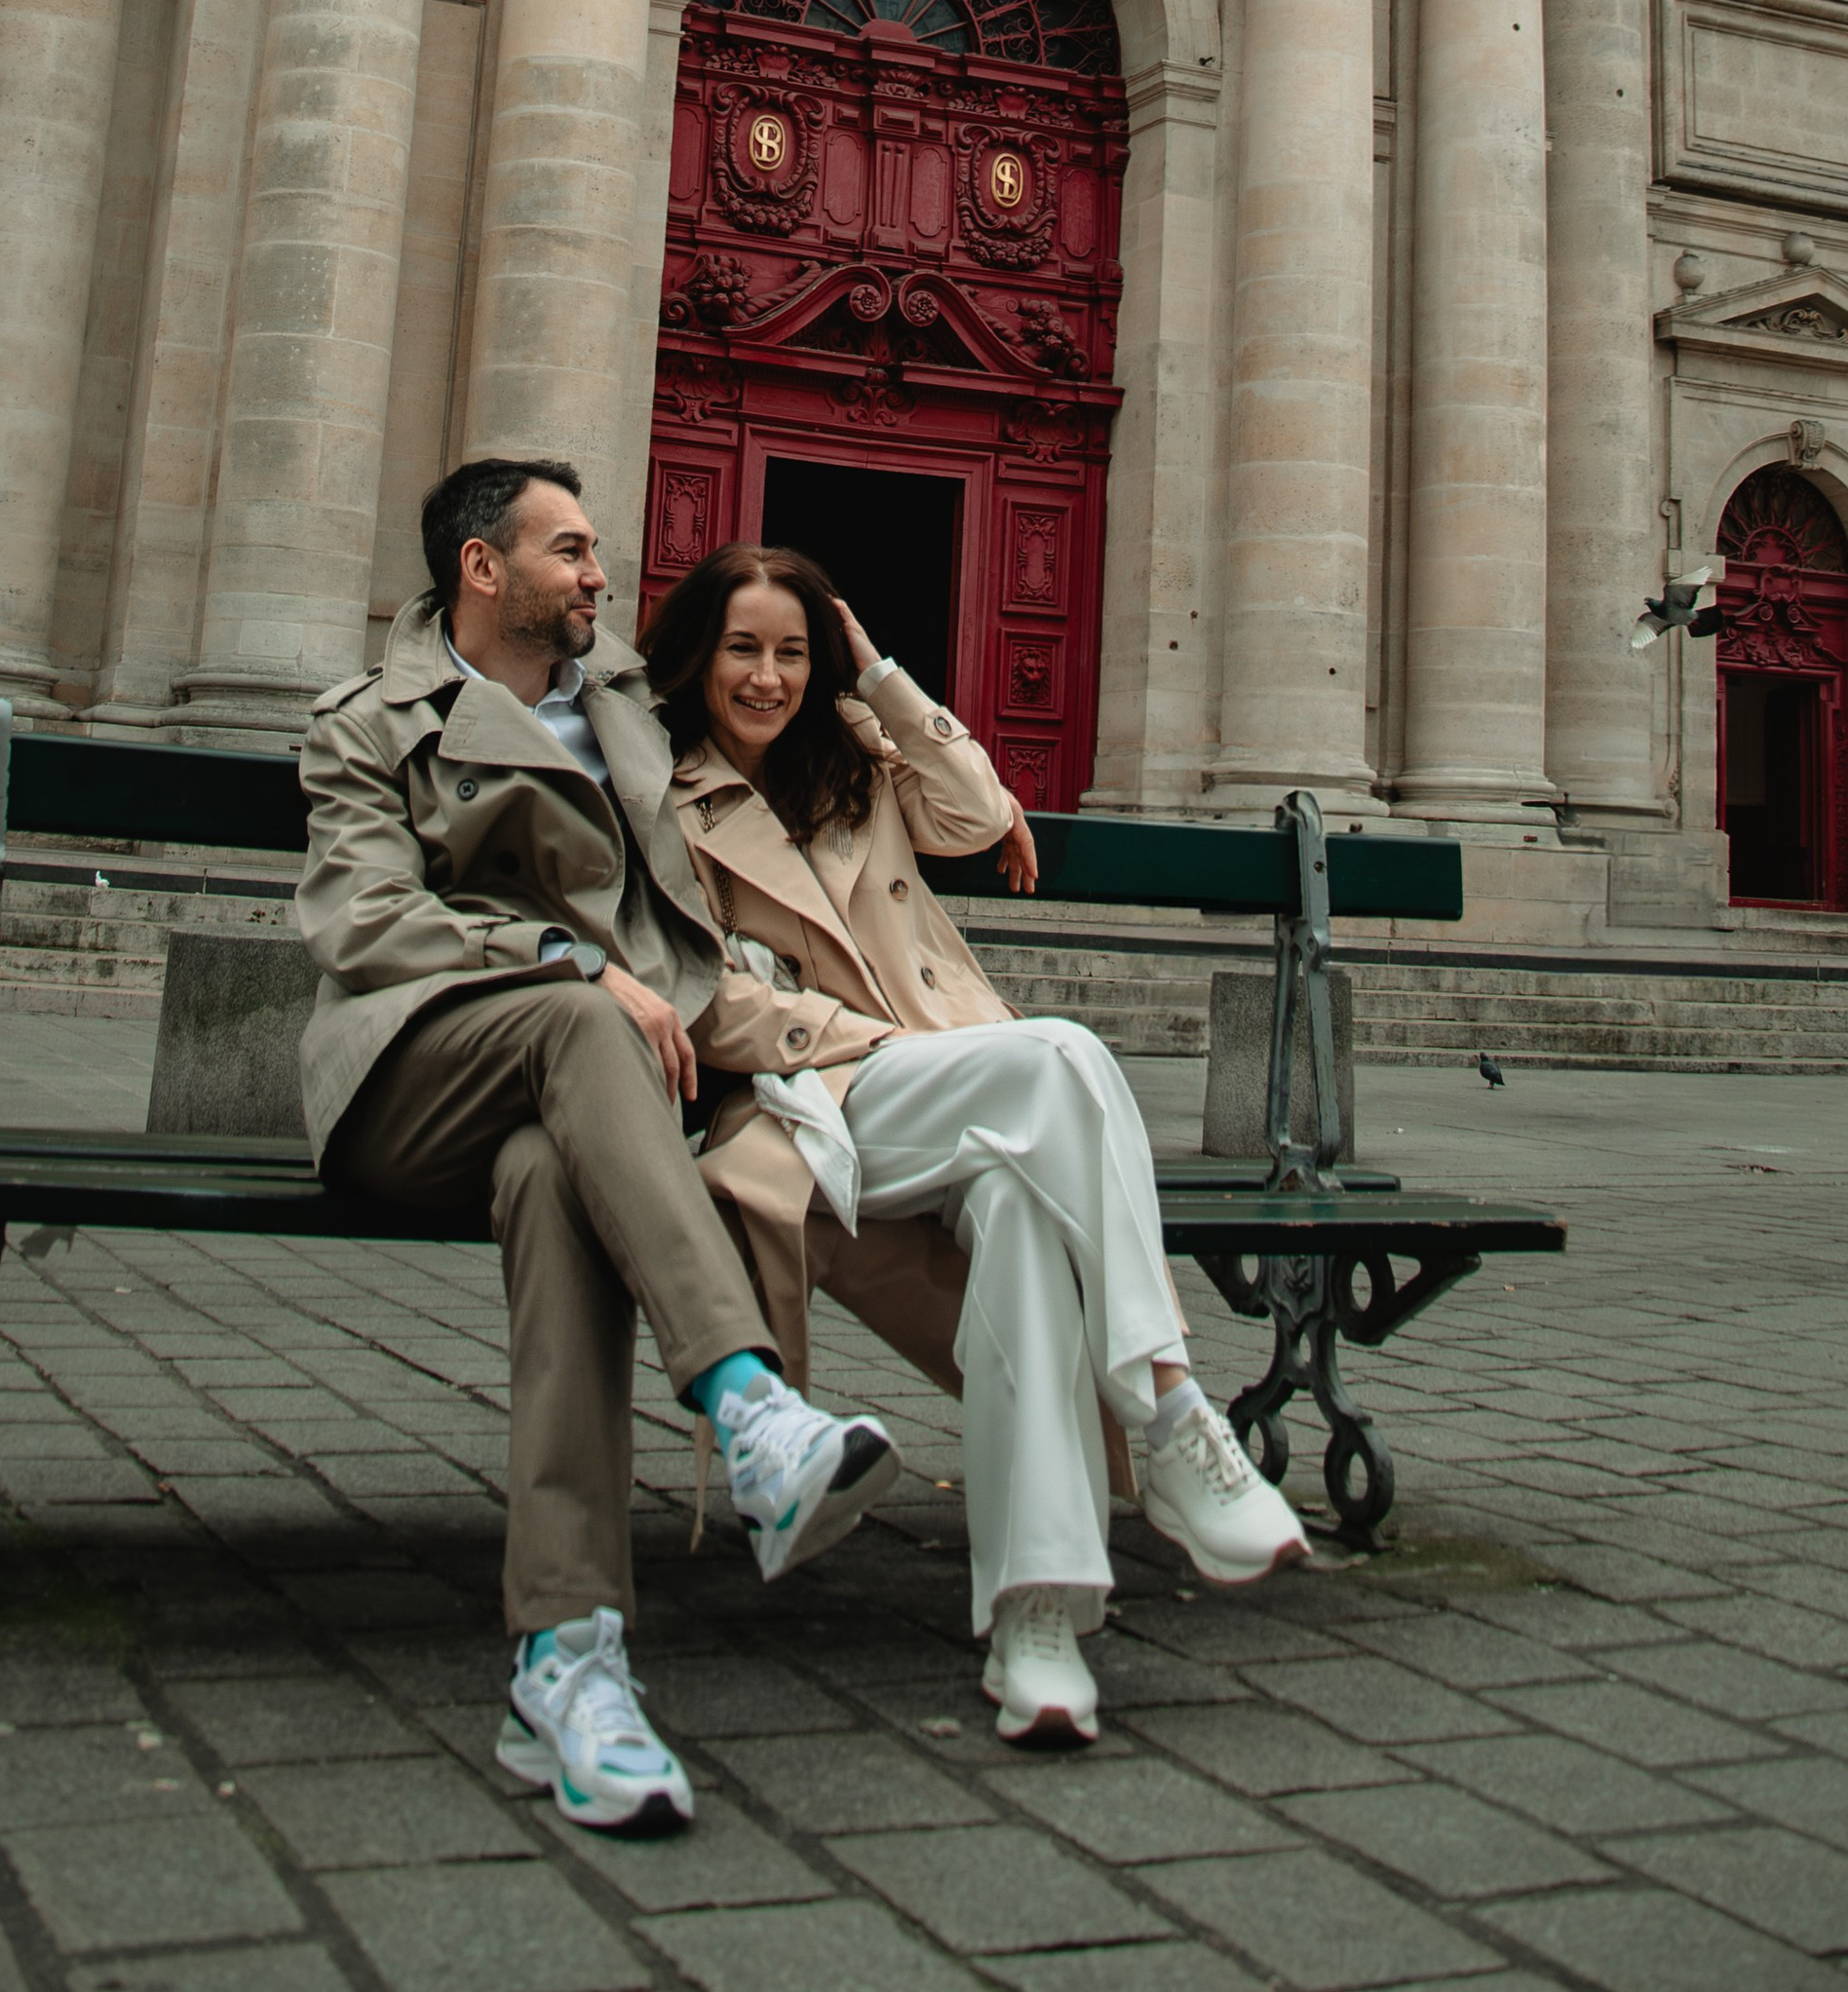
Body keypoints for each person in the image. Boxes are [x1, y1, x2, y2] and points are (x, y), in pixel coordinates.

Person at [297, 461, 908, 1839]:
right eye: (569, 549)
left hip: (586, 1104)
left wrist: (902, 704)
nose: (598, 574)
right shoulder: (368, 719)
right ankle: (750, 1406)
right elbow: (360, 923)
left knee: (555, 1183)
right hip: (416, 1072)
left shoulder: (632, 702)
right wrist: (569, 958)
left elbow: (790, 691)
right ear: (480, 566)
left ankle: (566, 1660)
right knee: (581, 1025)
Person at [651, 543, 1309, 1748]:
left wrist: (877, 673)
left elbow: (975, 812)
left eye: (793, 651)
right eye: (742, 648)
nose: (766, 677)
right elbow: (692, 995)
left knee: (1017, 1213)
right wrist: (853, 1039)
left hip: (946, 1090)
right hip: (811, 1099)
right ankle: (1166, 1406)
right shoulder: (655, 792)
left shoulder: (850, 759)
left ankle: (1036, 1621)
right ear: (695, 656)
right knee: (1059, 1059)